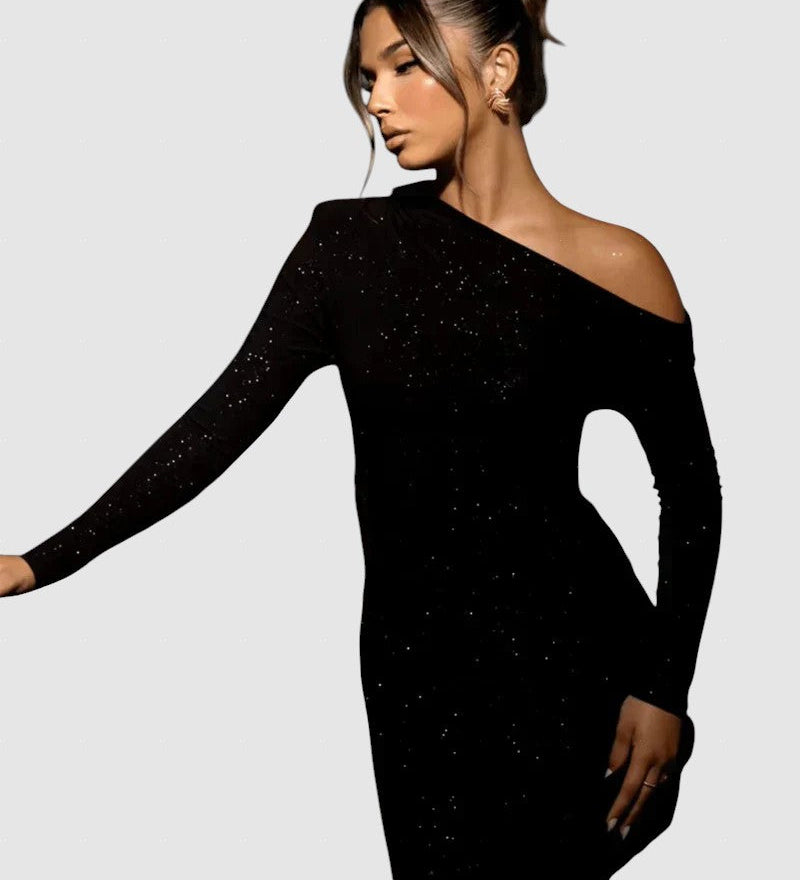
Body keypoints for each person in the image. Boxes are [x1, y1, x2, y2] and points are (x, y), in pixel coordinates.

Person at [0, 1, 722, 876]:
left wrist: (664, 686)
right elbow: (220, 422)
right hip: (412, 668)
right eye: (368, 77)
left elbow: (691, 493)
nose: (378, 99)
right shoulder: (346, 248)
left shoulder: (619, 266)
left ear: (498, 71)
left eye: (404, 66)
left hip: (579, 666)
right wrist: (42, 560)